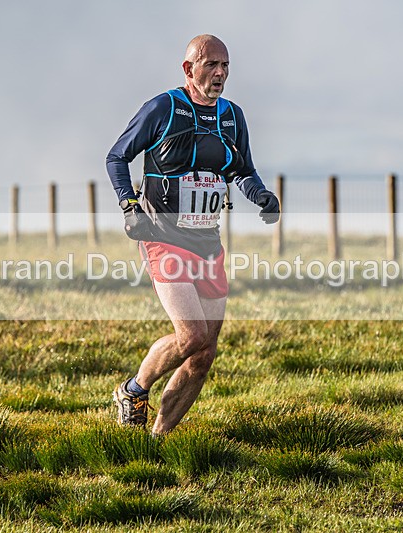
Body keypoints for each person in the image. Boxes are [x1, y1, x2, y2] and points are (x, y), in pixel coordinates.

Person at [105, 34, 280, 435]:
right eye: (211, 65)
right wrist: (129, 206)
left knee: (204, 353)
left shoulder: (232, 117)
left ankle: (157, 442)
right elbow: (117, 156)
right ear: (189, 69)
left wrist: (262, 196)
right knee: (192, 334)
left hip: (207, 243)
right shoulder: (163, 108)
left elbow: (241, 170)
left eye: (226, 67)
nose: (220, 74)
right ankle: (134, 390)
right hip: (163, 236)